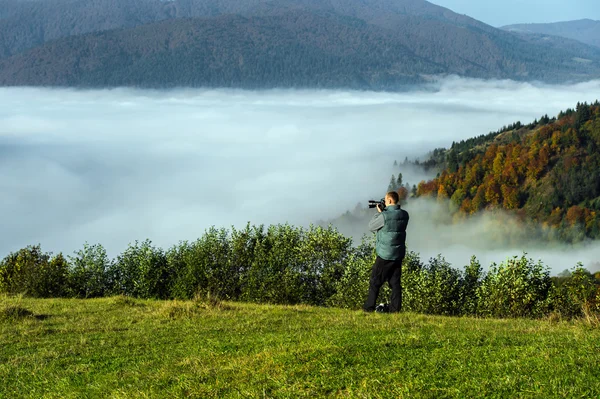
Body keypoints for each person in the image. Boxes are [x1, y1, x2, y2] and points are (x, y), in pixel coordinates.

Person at [363, 191, 409, 313]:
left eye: (385, 200)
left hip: (385, 254)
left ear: (388, 201)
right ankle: (395, 309)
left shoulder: (384, 216)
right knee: (395, 283)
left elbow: (371, 227)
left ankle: (369, 308)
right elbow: (394, 223)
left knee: (375, 281)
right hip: (398, 254)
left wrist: (379, 213)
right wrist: (384, 212)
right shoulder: (405, 215)